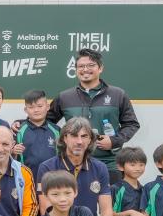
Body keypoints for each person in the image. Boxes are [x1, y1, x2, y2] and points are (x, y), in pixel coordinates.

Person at [47, 48, 140, 184]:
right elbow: (46, 122)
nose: (85, 69)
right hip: (74, 162)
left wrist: (114, 140)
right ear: (76, 69)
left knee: (110, 204)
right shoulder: (64, 97)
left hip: (110, 163)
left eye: (91, 65)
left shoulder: (118, 94)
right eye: (81, 66)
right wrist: (21, 124)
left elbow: (131, 124)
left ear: (100, 68)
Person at [14, 90, 60, 179]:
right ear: (25, 110)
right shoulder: (18, 130)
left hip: (52, 180)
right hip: (26, 180)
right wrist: (13, 152)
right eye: (31, 107)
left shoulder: (57, 130)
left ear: (47, 107)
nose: (36, 110)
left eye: (40, 106)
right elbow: (10, 157)